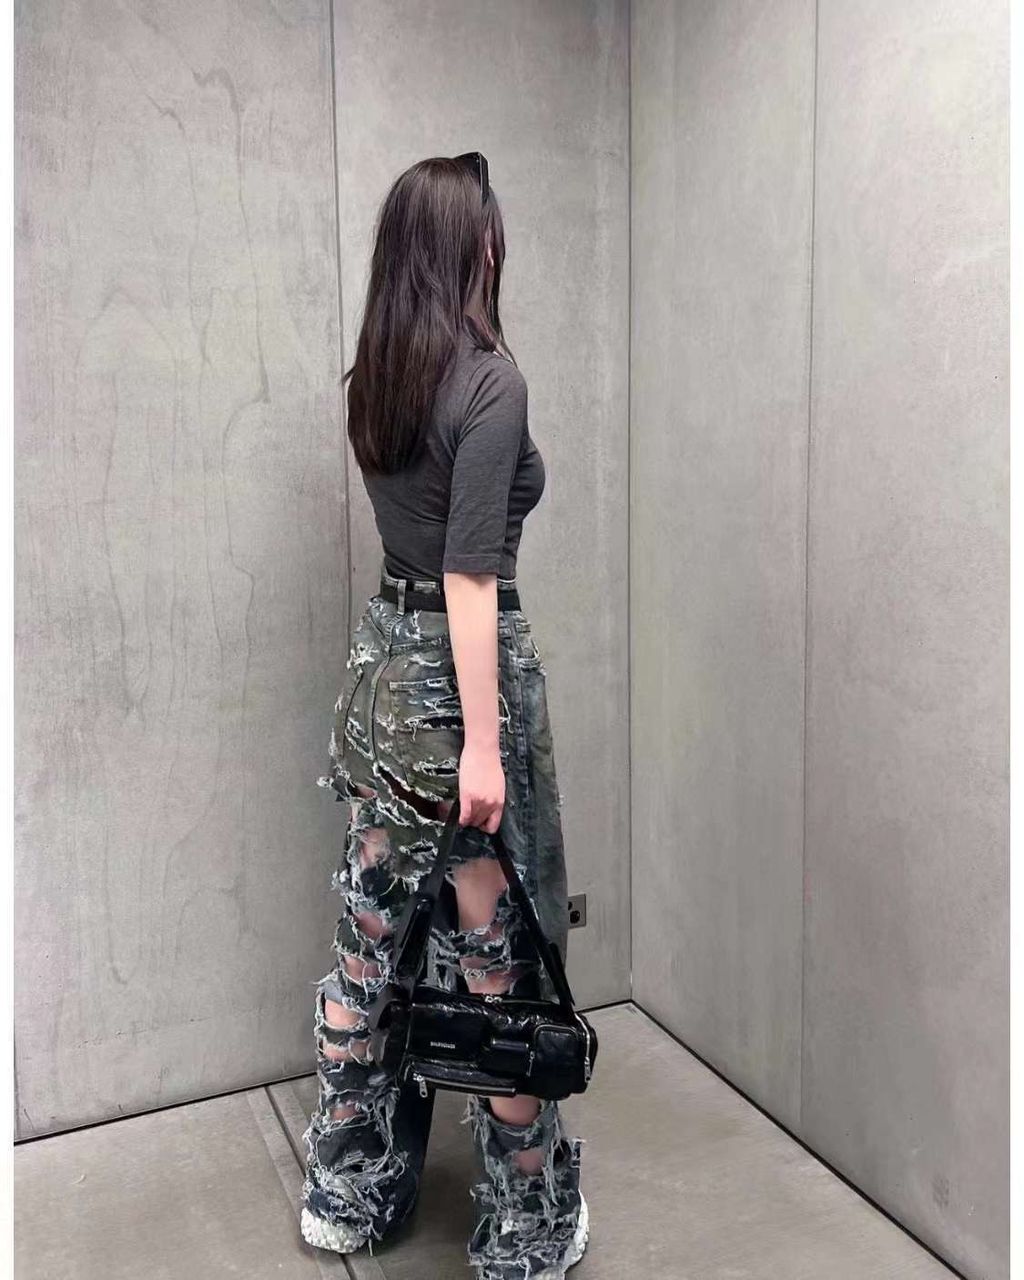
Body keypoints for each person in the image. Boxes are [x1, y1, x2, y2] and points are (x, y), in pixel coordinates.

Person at [298, 154, 588, 1280]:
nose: (501, 242)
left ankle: (347, 1194)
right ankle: (525, 1229)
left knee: (368, 945)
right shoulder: (489, 382)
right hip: (455, 687)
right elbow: (470, 574)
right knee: (493, 959)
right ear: (474, 242)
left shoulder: (380, 375)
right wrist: (482, 743)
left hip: (380, 678)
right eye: (492, 226)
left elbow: (418, 550)